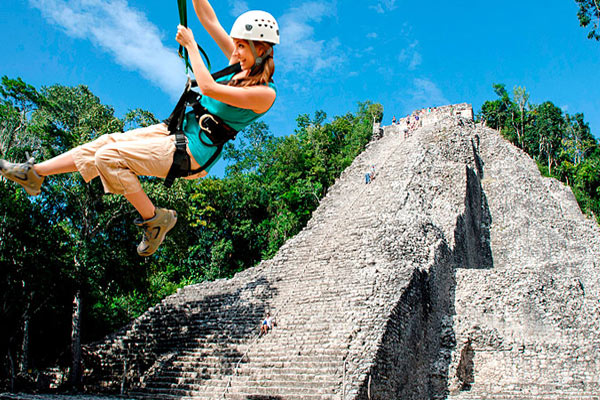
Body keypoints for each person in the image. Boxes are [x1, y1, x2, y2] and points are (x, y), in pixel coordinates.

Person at [0, 1, 279, 257]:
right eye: (236, 45)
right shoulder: (240, 64)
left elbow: (207, 87)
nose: (235, 52)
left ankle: (155, 220)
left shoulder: (265, 94)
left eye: (241, 46)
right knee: (105, 142)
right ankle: (33, 174)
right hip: (176, 130)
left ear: (261, 50)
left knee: (108, 158)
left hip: (193, 152)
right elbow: (209, 19)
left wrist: (191, 46)